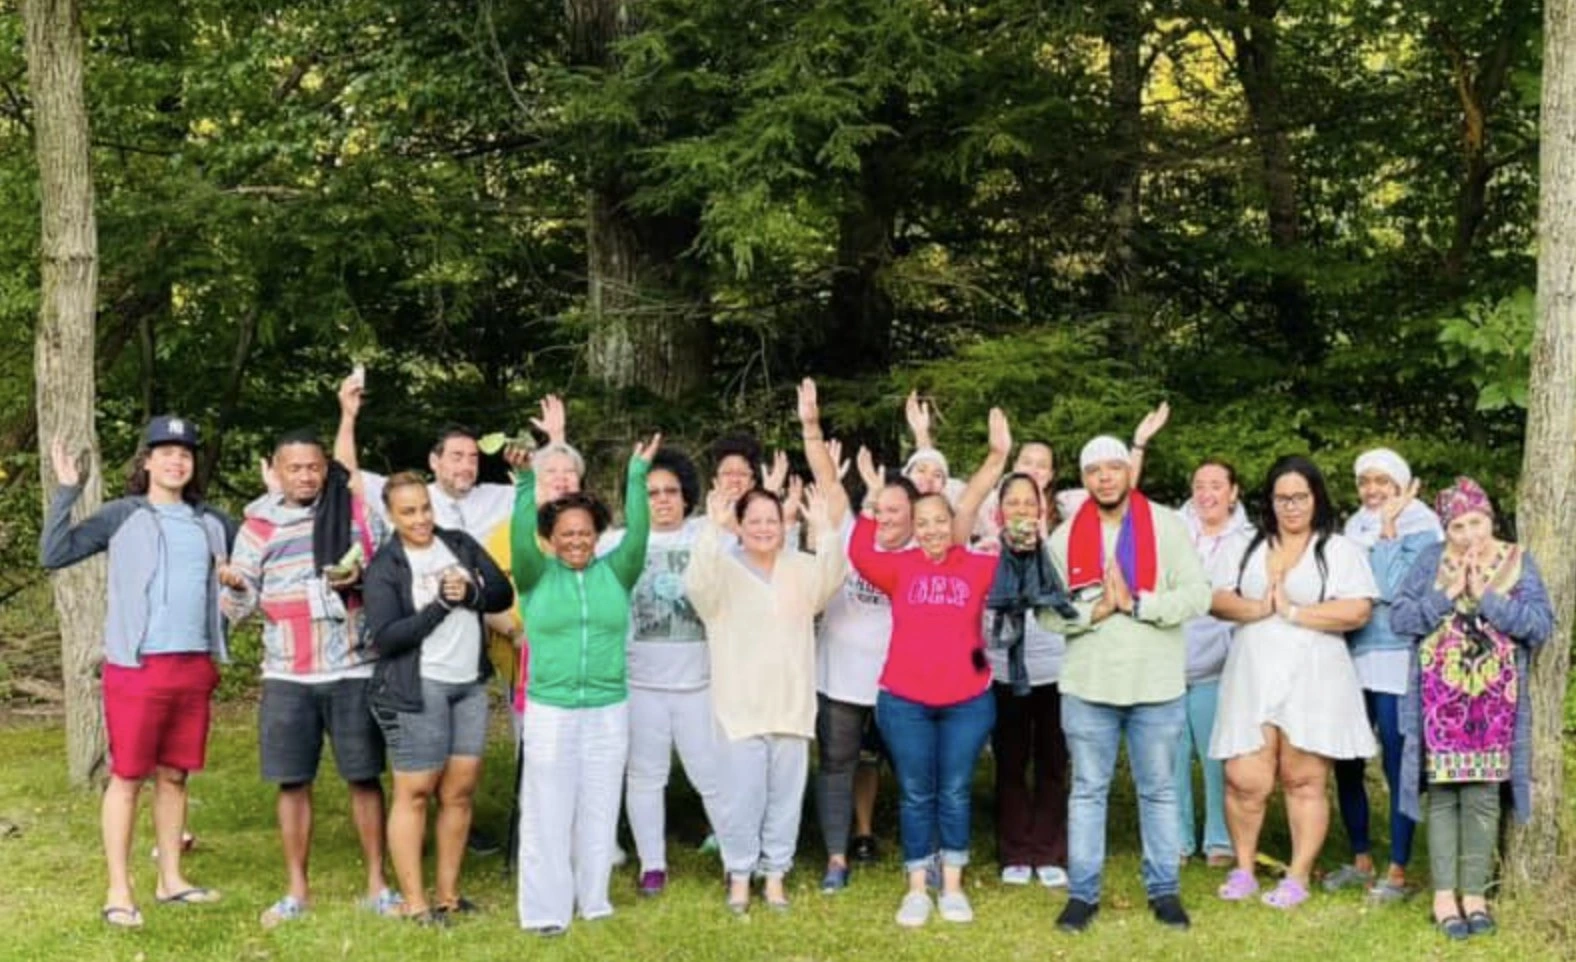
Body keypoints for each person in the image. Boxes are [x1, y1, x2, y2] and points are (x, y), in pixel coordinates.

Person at [40, 418, 232, 928]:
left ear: (193, 465)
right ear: (146, 462)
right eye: (165, 452)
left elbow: (251, 573)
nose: (176, 461)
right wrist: (66, 492)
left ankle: (171, 880)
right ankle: (119, 890)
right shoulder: (121, 516)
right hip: (137, 667)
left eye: (185, 454)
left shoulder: (212, 522)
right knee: (128, 777)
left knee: (174, 775)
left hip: (194, 664)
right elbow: (53, 554)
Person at [1039, 436, 1212, 933]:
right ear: (1085, 478)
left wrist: (1139, 604)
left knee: (1158, 790)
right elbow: (1047, 614)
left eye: (1115, 467)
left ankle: (1164, 890)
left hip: (1155, 685)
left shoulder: (1166, 526)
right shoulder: (1065, 536)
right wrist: (1096, 610)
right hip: (1088, 684)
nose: (1105, 478)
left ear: (1129, 472)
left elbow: (1198, 595)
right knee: (1087, 791)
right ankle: (1082, 894)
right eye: (1095, 470)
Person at [221, 429, 392, 927]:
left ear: (325, 468)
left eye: (313, 467)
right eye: (293, 468)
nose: (305, 476)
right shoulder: (257, 526)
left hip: (353, 667)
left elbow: (390, 573)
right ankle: (297, 889)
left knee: (364, 777)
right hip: (287, 674)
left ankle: (378, 884)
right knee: (292, 781)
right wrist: (233, 586)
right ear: (275, 471)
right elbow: (242, 602)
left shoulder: (357, 513)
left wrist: (361, 580)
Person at [848, 409, 1011, 927]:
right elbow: (858, 548)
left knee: (955, 789)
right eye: (925, 523)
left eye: (943, 521)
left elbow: (1023, 563)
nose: (935, 529)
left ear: (954, 526)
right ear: (914, 528)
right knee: (917, 791)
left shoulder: (979, 565)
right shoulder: (899, 567)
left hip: (967, 699)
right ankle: (918, 885)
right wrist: (875, 499)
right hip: (905, 700)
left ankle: (954, 884)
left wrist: (999, 459)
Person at [1209, 456, 1378, 911]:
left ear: (1316, 497)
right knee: (1246, 777)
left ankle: (1298, 874)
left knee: (1303, 778)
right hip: (1252, 670)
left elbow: (1358, 610)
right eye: (1282, 498)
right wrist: (1258, 609)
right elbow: (1217, 598)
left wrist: (1295, 613)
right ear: (1270, 501)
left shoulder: (1337, 550)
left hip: (1315, 674)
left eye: (1300, 496)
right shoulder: (1245, 546)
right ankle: (1243, 868)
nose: (1291, 506)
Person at [1392, 478, 1553, 940]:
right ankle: (1445, 897)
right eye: (1458, 525)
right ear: (1446, 528)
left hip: (1494, 705)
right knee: (1443, 796)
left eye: (1476, 522)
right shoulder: (1429, 561)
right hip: (1439, 704)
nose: (1468, 534)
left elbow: (1540, 626)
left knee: (1483, 797)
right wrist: (1446, 594)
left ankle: (1475, 894)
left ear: (1491, 519)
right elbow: (1400, 618)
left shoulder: (1519, 562)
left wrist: (1487, 598)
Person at [512, 434, 659, 936]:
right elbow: (518, 537)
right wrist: (526, 482)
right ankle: (545, 910)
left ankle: (593, 899)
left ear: (597, 534)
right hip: (550, 708)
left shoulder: (616, 573)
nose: (575, 541)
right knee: (547, 809)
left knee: (599, 804)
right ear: (550, 538)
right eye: (565, 534)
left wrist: (637, 478)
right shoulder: (535, 576)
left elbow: (639, 533)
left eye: (584, 533)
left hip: (607, 707)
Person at [685, 482, 847, 913]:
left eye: (771, 520)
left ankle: (775, 875)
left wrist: (825, 530)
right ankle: (739, 876)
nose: (763, 528)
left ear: (784, 524)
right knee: (741, 797)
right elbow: (697, 585)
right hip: (739, 705)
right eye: (753, 520)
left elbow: (832, 578)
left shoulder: (802, 567)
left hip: (790, 703)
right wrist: (712, 532)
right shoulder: (721, 568)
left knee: (784, 797)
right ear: (739, 525)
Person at [362, 473, 516, 925]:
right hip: (419, 685)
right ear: (390, 516)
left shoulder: (460, 544)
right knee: (415, 791)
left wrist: (472, 594)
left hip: (469, 682)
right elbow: (387, 637)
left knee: (460, 790)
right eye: (408, 512)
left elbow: (502, 593)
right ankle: (415, 902)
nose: (421, 519)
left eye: (425, 508)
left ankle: (448, 894)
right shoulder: (385, 567)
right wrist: (440, 607)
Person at [596, 447, 724, 896]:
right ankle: (653, 865)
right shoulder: (614, 543)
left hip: (700, 680)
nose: (662, 500)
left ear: (687, 496)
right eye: (651, 492)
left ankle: (734, 856)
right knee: (645, 775)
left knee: (710, 771)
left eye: (671, 491)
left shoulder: (710, 533)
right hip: (640, 682)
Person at [798, 379, 907, 892]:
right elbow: (824, 474)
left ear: (911, 516)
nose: (884, 518)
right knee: (837, 764)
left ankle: (920, 855)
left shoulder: (918, 551)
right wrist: (811, 428)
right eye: (878, 509)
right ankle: (836, 857)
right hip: (839, 675)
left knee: (909, 766)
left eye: (894, 512)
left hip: (899, 679)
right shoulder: (847, 532)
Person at [1325, 448, 1442, 900]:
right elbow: (1344, 589)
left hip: (1398, 659)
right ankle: (1360, 858)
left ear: (1400, 484)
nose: (1371, 490)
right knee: (1348, 760)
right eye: (1364, 482)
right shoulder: (1354, 527)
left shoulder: (1425, 528)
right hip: (1354, 656)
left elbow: (1392, 589)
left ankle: (1398, 869)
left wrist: (1389, 532)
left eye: (1381, 481)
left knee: (1398, 764)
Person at [984, 472, 1078, 890]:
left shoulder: (1058, 551)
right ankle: (1016, 850)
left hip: (1055, 671)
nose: (1021, 509)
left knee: (1053, 763)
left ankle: (1049, 848)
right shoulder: (986, 553)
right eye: (1013, 502)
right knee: (1010, 763)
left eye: (1029, 502)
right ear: (999, 510)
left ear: (1042, 508)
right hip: (1005, 671)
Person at [1175, 459, 1252, 868]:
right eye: (1199, 485)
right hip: (1169, 661)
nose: (1207, 493)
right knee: (1170, 757)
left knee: (1216, 757)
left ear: (1233, 492)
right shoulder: (1171, 528)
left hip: (1219, 666)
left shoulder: (1250, 540)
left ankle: (1220, 840)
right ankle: (1177, 840)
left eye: (1216, 485)